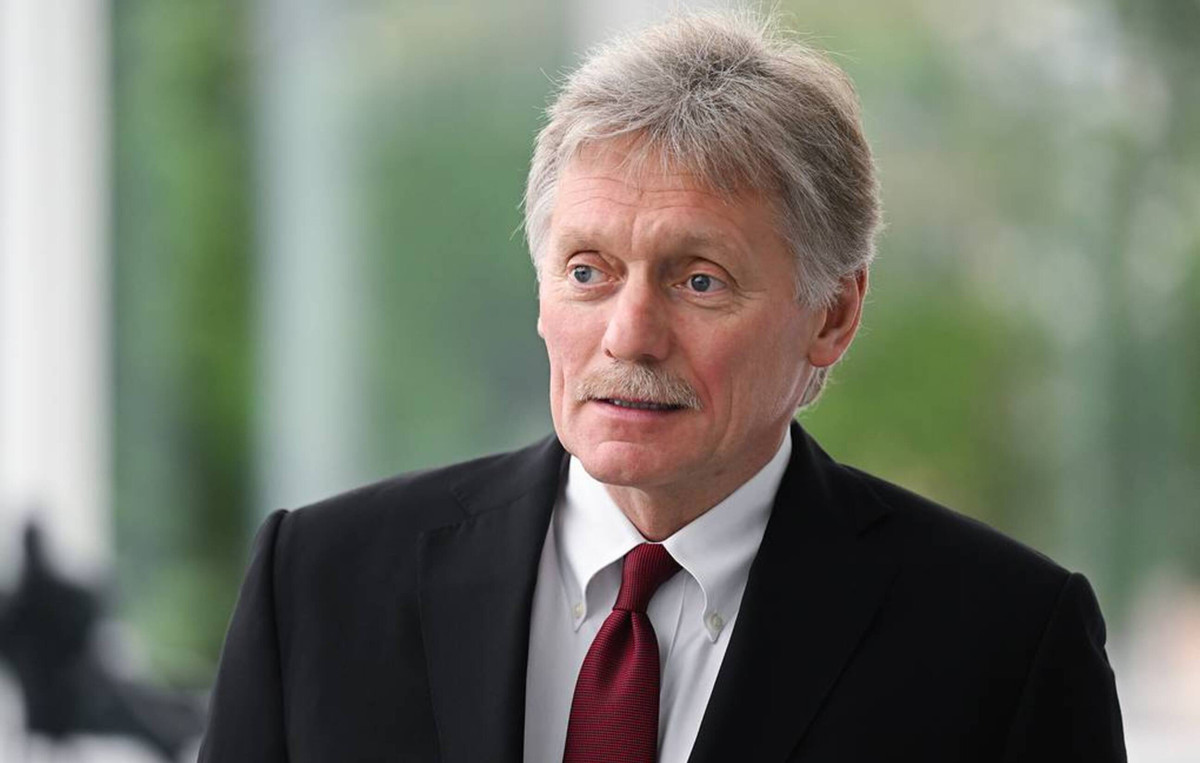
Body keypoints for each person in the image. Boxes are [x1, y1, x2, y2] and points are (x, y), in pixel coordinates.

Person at [198, 11, 1125, 763]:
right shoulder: (316, 586)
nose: (629, 334)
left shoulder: (1005, 645)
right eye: (588, 271)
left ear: (833, 315)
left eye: (700, 281)